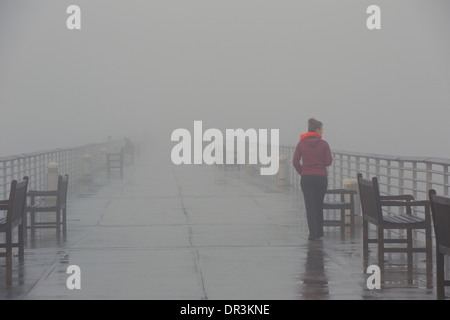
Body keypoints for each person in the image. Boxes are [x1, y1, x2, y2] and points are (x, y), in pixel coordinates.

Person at [292, 118, 332, 240]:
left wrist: (303, 172)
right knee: (319, 205)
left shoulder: (301, 144)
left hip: (307, 178)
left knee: (310, 206)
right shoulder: (324, 144)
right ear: (316, 129)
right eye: (321, 130)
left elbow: (295, 162)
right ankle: (320, 231)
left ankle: (313, 233)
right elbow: (328, 161)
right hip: (321, 178)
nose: (322, 133)